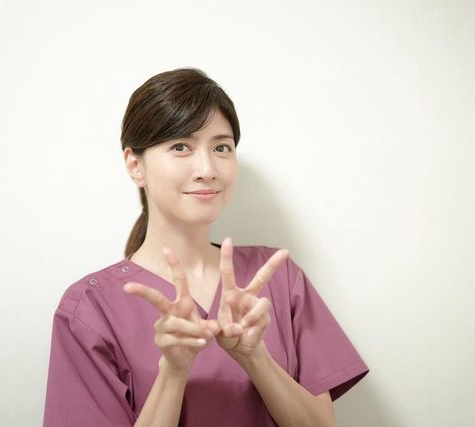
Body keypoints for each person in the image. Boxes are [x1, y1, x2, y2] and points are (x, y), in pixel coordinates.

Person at [43, 67, 369, 426]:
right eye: (180, 147)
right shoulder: (89, 309)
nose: (207, 169)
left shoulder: (278, 277)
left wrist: (256, 358)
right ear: (135, 165)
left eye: (221, 147)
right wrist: (173, 372)